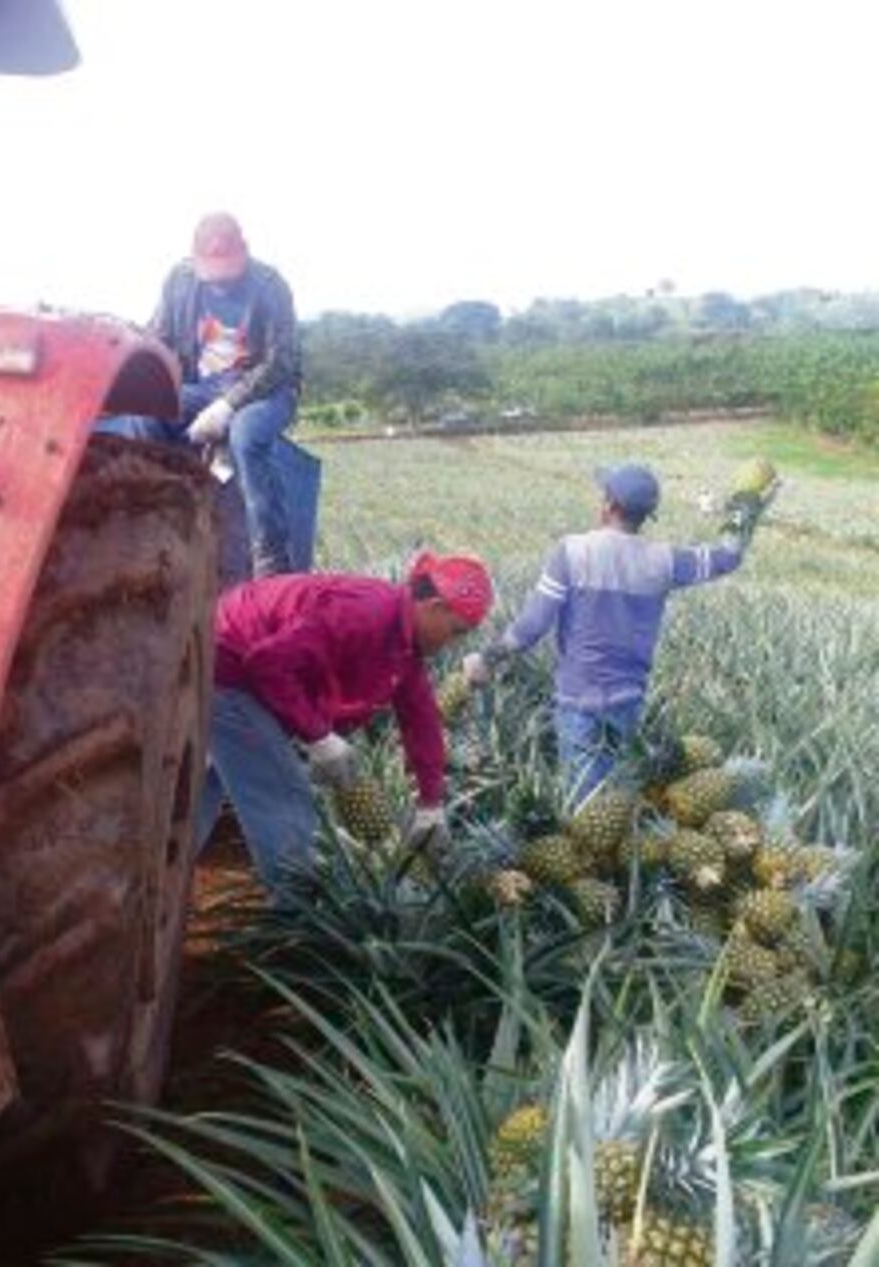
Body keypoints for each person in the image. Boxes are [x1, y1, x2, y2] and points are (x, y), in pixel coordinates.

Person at [463, 462, 776, 801]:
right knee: (618, 801)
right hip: (627, 703)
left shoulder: (572, 552)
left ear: (609, 505)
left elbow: (533, 625)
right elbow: (728, 557)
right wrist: (748, 506)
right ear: (646, 516)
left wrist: (487, 659)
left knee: (583, 813)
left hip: (578, 702)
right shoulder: (663, 561)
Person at [196, 551, 494, 900]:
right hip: (228, 663)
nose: (452, 644)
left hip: (239, 660)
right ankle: (292, 922)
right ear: (434, 606)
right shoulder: (366, 614)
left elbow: (421, 717)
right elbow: (267, 662)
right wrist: (319, 737)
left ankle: (156, 858)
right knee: (287, 799)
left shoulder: (403, 639)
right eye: (456, 631)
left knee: (211, 780)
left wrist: (431, 804)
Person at [98, 211, 301, 577]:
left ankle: (271, 558)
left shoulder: (271, 286)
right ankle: (151, 522)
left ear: (245, 252)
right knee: (146, 418)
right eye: (213, 277)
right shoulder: (180, 280)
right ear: (195, 261)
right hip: (200, 385)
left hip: (264, 390)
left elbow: (281, 362)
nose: (221, 286)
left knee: (246, 436)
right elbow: (158, 336)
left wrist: (228, 405)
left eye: (229, 275)